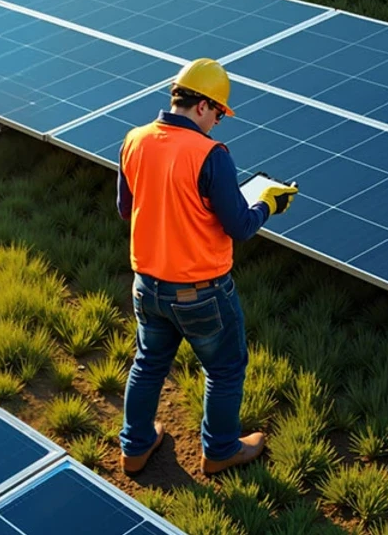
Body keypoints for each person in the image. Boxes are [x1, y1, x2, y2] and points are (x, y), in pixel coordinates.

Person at [116, 58, 297, 477]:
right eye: (218, 114)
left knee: (148, 363)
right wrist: (268, 203)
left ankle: (135, 447)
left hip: (148, 285)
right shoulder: (210, 154)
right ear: (202, 106)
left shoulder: (134, 139)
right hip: (202, 292)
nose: (218, 123)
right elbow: (239, 226)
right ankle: (219, 452)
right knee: (225, 369)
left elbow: (127, 209)